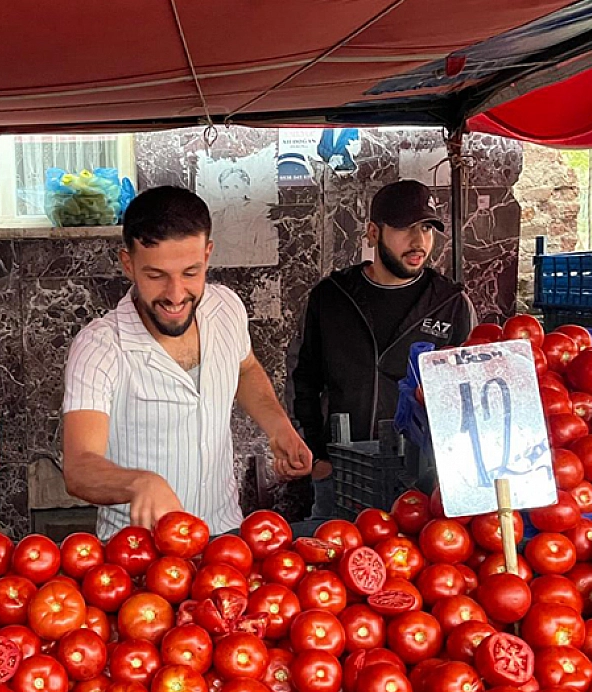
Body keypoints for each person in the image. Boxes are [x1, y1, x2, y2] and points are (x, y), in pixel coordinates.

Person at [61, 185, 314, 539]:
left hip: (226, 536)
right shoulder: (100, 346)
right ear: (128, 264)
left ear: (208, 255)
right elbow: (80, 467)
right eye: (156, 276)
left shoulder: (226, 308)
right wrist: (138, 483)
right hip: (136, 551)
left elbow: (245, 369)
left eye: (191, 272)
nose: (176, 294)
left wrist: (279, 428)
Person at [289, 179, 475, 519]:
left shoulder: (450, 303)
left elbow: (469, 395)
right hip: (341, 472)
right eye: (405, 228)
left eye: (427, 229)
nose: (419, 242)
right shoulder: (331, 298)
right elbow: (302, 379)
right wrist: (316, 457)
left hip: (424, 482)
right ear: (374, 233)